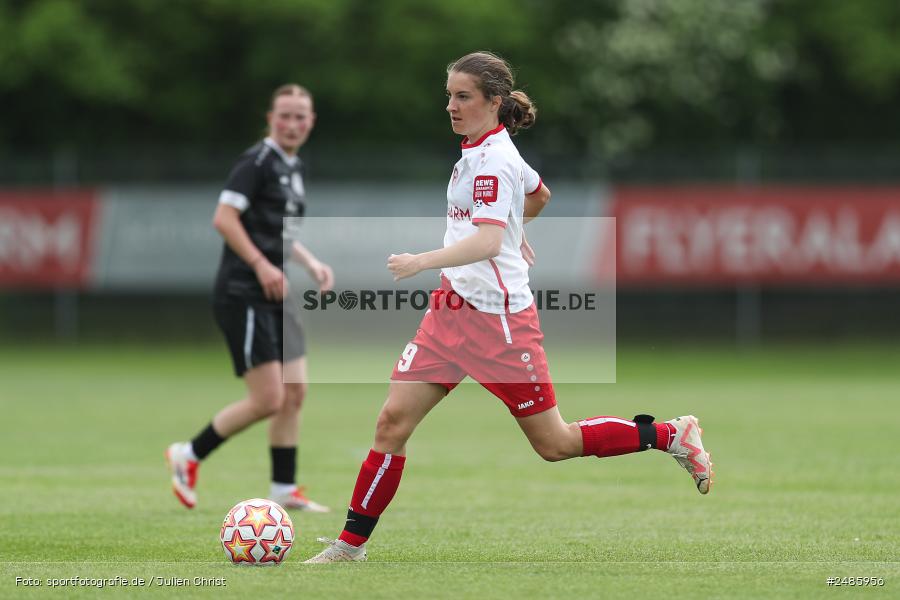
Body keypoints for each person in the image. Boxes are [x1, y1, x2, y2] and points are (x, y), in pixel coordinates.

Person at [304, 52, 713, 563]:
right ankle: (349, 546)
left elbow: (487, 242)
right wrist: (513, 231)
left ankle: (672, 434)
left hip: (499, 324)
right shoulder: (487, 150)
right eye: (449, 95)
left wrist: (423, 260)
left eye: (463, 96)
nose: (450, 105)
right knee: (392, 423)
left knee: (555, 443)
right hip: (449, 312)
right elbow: (539, 196)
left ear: (493, 101)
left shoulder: (494, 160)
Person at [166, 83, 333, 512]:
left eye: (301, 116)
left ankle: (283, 488)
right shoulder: (255, 162)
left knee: (295, 391)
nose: (293, 123)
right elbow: (224, 219)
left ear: (311, 121)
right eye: (285, 115)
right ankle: (189, 453)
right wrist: (261, 265)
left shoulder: (293, 168)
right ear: (270, 119)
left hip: (277, 293)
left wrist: (310, 262)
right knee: (268, 399)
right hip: (245, 291)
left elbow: (279, 232)